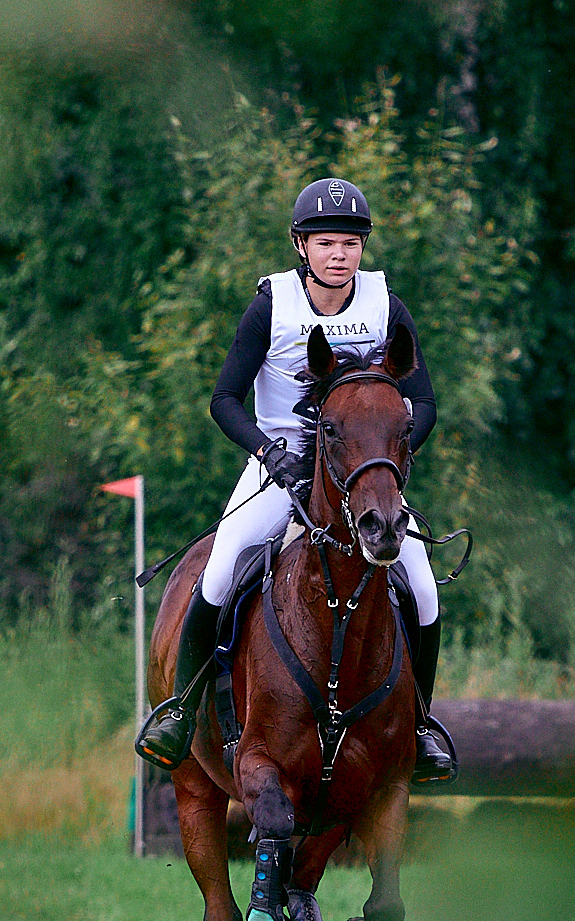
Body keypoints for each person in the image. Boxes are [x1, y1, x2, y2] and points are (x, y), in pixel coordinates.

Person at [135, 177, 454, 784]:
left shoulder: (386, 305)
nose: (340, 255)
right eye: (326, 242)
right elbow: (224, 399)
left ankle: (419, 726)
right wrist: (267, 451)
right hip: (277, 466)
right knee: (221, 570)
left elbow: (426, 403)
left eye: (351, 243)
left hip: (359, 475)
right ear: (301, 246)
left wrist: (386, 460)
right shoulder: (271, 306)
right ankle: (179, 713)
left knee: (422, 586)